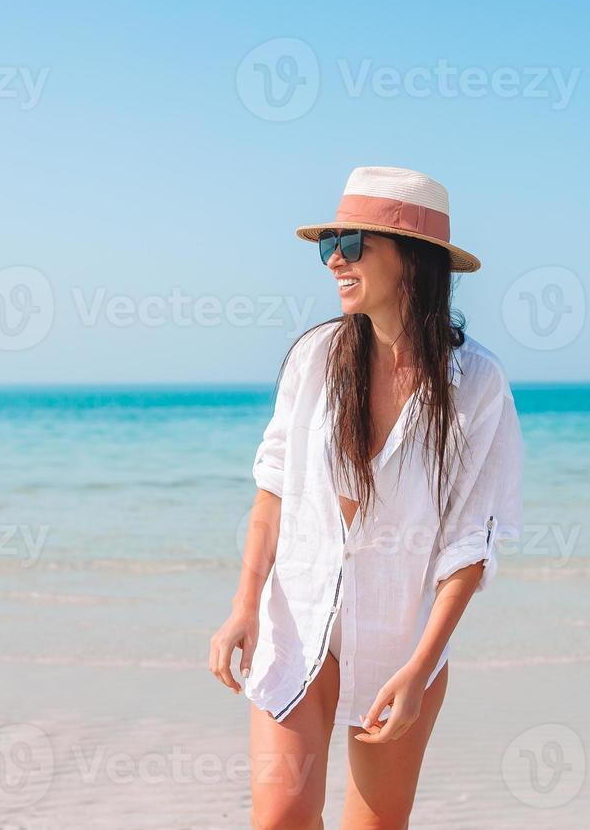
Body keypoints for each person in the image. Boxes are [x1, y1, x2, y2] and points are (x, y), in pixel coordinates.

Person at [209, 166, 525, 829]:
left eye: (352, 244)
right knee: (280, 818)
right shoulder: (315, 358)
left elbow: (473, 543)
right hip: (297, 621)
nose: (334, 261)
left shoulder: (476, 384)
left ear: (411, 258)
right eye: (329, 246)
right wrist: (243, 607)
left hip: (399, 637)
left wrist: (420, 665)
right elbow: (272, 492)